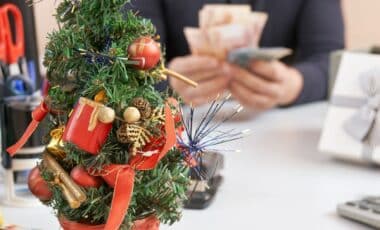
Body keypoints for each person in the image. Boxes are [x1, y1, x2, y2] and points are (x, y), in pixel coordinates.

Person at [127, 0, 344, 110]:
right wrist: (169, 84)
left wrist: (295, 85)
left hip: (275, 136)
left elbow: (332, 62)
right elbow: (123, 63)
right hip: (175, 132)